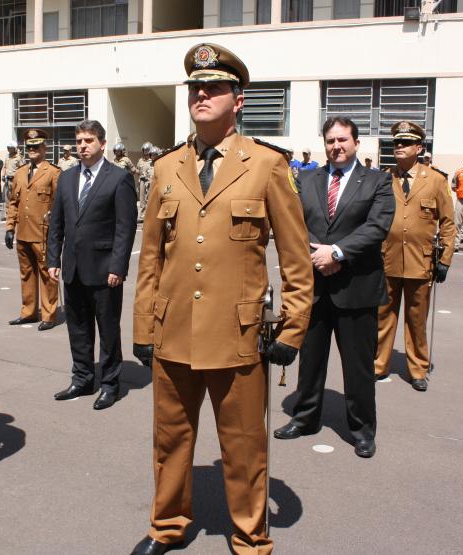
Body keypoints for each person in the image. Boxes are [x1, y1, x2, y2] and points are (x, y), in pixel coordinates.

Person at [130, 44, 313, 555]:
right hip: (173, 331)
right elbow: (151, 258)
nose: (201, 94)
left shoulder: (268, 165)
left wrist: (293, 327)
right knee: (170, 440)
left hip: (238, 336)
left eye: (213, 87)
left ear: (239, 99)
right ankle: (167, 525)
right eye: (195, 87)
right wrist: (143, 326)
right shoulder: (167, 167)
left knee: (244, 445)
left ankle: (251, 537)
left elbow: (296, 259)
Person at [274, 115, 395, 459]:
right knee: (310, 361)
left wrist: (337, 252)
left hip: (357, 288)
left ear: (356, 143)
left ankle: (362, 430)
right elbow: (293, 223)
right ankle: (305, 418)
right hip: (313, 286)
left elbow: (377, 227)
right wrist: (317, 255)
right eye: (330, 141)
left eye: (343, 140)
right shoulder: (306, 179)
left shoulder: (377, 181)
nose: (336, 146)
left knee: (358, 367)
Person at [47, 120, 137, 410]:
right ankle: (83, 379)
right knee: (78, 329)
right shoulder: (66, 178)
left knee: (108, 331)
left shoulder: (119, 178)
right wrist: (53, 259)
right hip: (73, 268)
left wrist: (118, 267)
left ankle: (110, 384)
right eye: (79, 141)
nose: (82, 146)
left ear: (102, 143)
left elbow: (125, 228)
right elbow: (57, 223)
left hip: (104, 270)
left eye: (88, 140)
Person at [373, 122, 455, 391]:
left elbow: (448, 223)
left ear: (419, 148)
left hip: (421, 261)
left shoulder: (436, 180)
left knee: (417, 320)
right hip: (387, 259)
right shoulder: (384, 178)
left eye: (406, 143)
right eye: (396, 142)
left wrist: (445, 259)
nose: (399, 146)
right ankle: (378, 364)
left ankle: (418, 369)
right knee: (383, 316)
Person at [5, 129, 61, 330]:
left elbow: (59, 205)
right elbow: (13, 202)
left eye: (36, 146)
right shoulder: (20, 172)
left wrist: (57, 233)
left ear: (45, 148)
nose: (32, 150)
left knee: (47, 275)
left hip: (43, 234)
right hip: (23, 233)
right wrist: (10, 227)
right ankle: (29, 312)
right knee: (26, 274)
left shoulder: (53, 172)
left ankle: (49, 315)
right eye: (29, 147)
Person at [135, 142, 155, 219]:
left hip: (150, 182)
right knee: (142, 199)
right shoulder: (140, 160)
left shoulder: (153, 160)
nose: (145, 152)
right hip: (142, 182)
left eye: (147, 150)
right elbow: (137, 170)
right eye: (144, 150)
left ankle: (150, 214)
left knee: (149, 199)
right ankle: (143, 215)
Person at [2, 140, 25, 207]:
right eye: (8, 148)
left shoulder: (19, 157)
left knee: (16, 196)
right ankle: (8, 211)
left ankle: (17, 210)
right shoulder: (7, 157)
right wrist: (3, 175)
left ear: (14, 148)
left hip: (16, 180)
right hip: (8, 180)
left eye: (10, 148)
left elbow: (23, 169)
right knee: (7, 197)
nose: (9, 149)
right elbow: (4, 167)